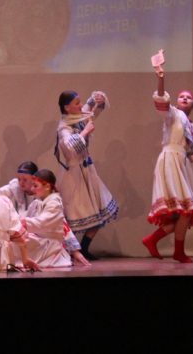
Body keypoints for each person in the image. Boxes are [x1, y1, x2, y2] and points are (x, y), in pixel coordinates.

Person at [142, 58, 193, 263]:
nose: (184, 98)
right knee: (185, 211)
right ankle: (178, 251)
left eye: (188, 97)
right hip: (170, 160)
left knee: (182, 213)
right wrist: (160, 78)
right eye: (181, 96)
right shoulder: (173, 114)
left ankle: (152, 240)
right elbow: (162, 100)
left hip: (182, 163)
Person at [54, 89, 118, 260]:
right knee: (74, 213)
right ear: (67, 107)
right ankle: (68, 251)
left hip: (88, 171)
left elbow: (90, 110)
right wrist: (85, 132)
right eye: (77, 103)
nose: (80, 105)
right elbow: (69, 147)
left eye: (80, 102)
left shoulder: (77, 117)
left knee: (99, 211)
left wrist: (96, 99)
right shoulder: (64, 127)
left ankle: (83, 248)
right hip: (74, 175)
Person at [22, 169, 90, 268]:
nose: (32, 189)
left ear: (47, 187)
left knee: (18, 244)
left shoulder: (54, 204)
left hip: (48, 247)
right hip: (39, 240)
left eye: (35, 186)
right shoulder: (37, 203)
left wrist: (74, 250)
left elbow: (43, 223)